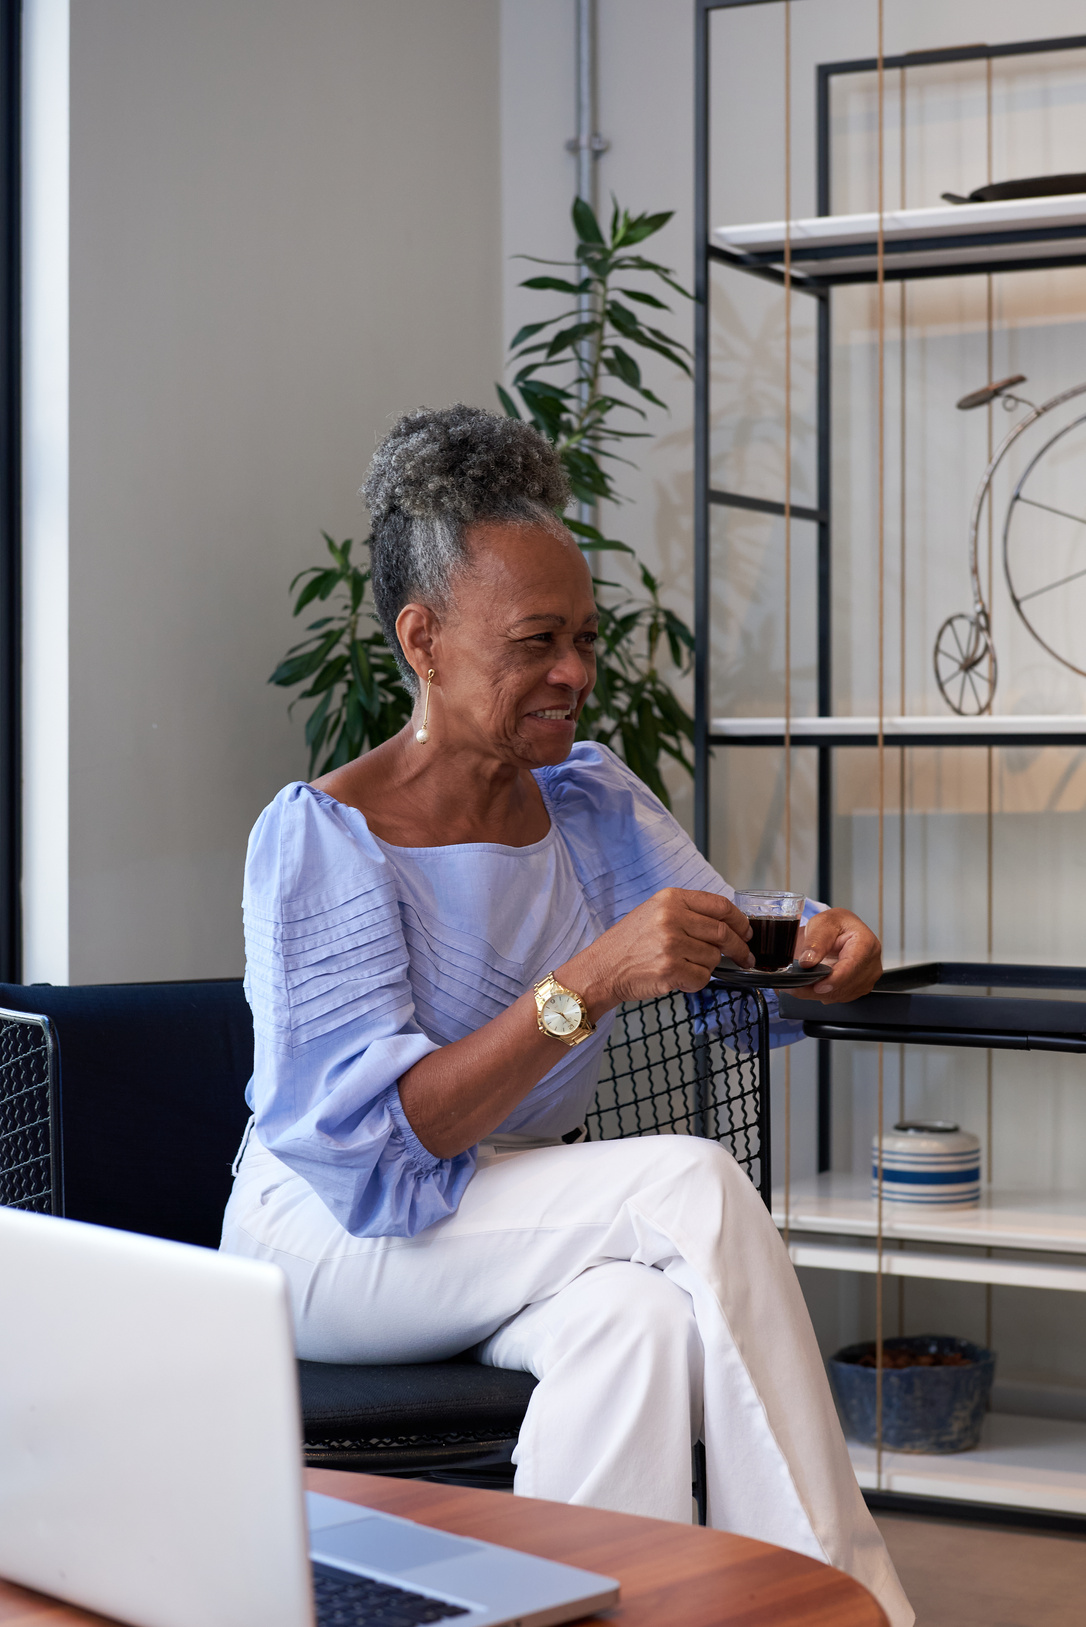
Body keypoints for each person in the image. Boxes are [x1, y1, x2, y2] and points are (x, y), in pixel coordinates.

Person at [221, 404, 912, 1626]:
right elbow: (388, 1139)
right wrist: (586, 983)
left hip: (508, 1218)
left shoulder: (586, 798)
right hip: (332, 1230)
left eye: (586, 638)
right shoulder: (324, 839)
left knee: (636, 1328)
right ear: (422, 639)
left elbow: (719, 927)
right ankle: (842, 1604)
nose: (579, 674)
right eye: (537, 640)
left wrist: (813, 943)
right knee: (688, 1183)